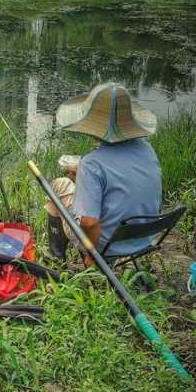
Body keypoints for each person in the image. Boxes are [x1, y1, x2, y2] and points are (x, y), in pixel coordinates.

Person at [51, 82, 162, 266]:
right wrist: (83, 180)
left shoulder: (91, 164)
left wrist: (91, 256)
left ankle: (56, 258)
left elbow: (90, 223)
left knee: (58, 185)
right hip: (143, 237)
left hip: (106, 244)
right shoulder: (147, 150)